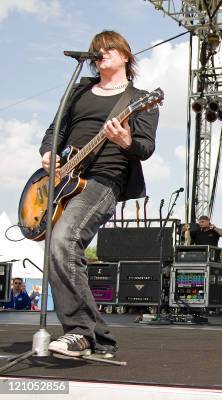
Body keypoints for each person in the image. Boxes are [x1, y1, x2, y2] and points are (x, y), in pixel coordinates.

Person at [39, 30, 159, 358]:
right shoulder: (79, 91)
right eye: (97, 50)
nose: (101, 53)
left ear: (125, 56)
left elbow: (145, 147)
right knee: (55, 247)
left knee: (64, 240)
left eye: (108, 49)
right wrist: (49, 152)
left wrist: (125, 141)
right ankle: (99, 337)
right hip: (65, 181)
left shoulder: (140, 99)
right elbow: (55, 130)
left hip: (106, 180)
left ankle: (79, 331)